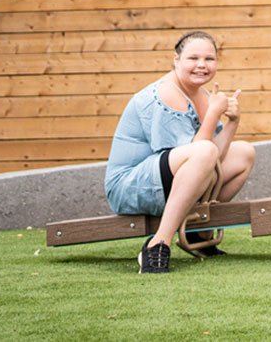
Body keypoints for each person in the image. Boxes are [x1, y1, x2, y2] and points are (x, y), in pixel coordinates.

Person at [105, 31, 256, 274]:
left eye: (209, 59)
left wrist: (232, 123)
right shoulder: (166, 93)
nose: (201, 65)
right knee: (203, 150)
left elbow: (212, 157)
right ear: (176, 60)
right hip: (131, 186)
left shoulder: (205, 95)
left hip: (173, 178)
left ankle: (198, 233)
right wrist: (214, 114)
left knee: (244, 153)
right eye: (192, 58)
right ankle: (157, 244)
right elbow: (198, 151)